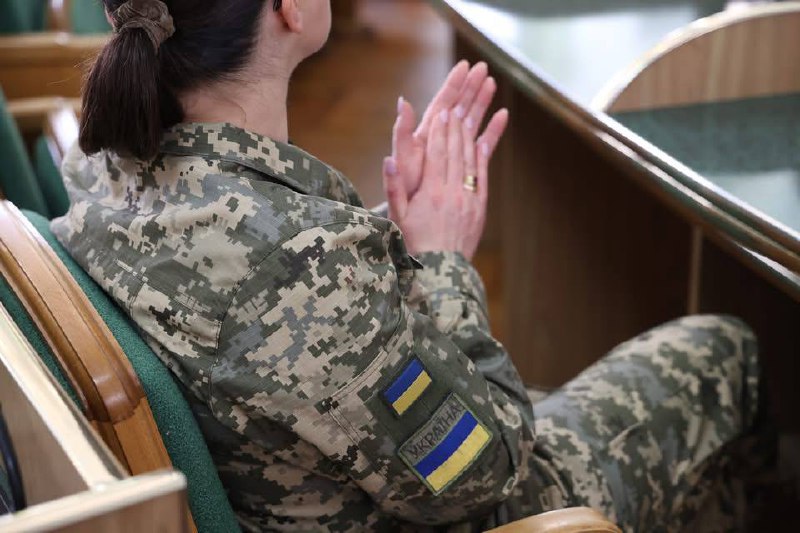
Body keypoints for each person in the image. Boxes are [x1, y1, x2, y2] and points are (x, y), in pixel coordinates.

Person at [51, 0, 770, 531]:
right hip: (457, 508)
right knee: (723, 348)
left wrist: (382, 240)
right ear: (289, 8)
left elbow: (267, 302)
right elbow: (486, 469)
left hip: (313, 481)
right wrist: (441, 258)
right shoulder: (296, 264)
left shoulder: (105, 165)